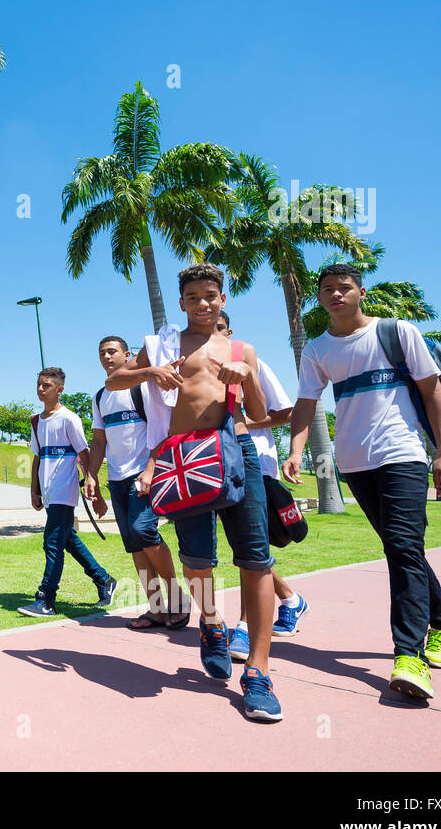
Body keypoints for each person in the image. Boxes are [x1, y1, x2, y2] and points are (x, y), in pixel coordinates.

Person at [283, 263, 441, 700]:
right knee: (400, 547)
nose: (336, 295)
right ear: (320, 297)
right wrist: (296, 450)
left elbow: (432, 391)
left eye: (344, 288)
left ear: (360, 292)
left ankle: (409, 655)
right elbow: (306, 402)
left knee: (403, 546)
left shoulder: (396, 332)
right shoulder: (317, 349)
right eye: (327, 289)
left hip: (402, 453)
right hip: (355, 463)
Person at [107, 263, 282, 722]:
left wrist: (246, 375)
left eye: (211, 295)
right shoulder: (159, 345)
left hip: (236, 450)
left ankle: (258, 674)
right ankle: (210, 622)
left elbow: (262, 413)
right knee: (197, 559)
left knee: (256, 558)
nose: (203, 303)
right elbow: (113, 381)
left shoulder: (243, 348)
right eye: (193, 297)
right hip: (183, 456)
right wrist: (150, 373)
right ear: (182, 303)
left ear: (223, 300)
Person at [214, 310, 310, 662]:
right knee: (246, 547)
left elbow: (286, 411)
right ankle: (291, 599)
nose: (216, 334)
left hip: (257, 461)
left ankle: (243, 628)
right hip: (219, 463)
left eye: (221, 328)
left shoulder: (249, 360)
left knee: (250, 550)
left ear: (231, 330)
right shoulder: (198, 362)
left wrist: (240, 424)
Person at [87, 335, 190, 629]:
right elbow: (98, 440)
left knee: (142, 530)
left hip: (143, 475)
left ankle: (177, 597)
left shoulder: (144, 388)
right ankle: (156, 608)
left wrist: (150, 468)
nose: (107, 357)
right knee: (133, 544)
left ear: (127, 355)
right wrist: (92, 476)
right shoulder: (100, 396)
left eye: (112, 352)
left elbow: (162, 429)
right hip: (116, 479)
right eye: (102, 353)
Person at [19, 367, 118, 617]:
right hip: (49, 493)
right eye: (39, 384)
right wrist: (35, 490)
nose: (40, 389)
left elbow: (84, 453)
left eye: (46, 386)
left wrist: (90, 481)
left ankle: (46, 599)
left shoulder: (69, 418)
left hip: (65, 490)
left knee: (52, 542)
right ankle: (104, 580)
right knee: (68, 541)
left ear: (59, 389)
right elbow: (37, 457)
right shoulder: (35, 420)